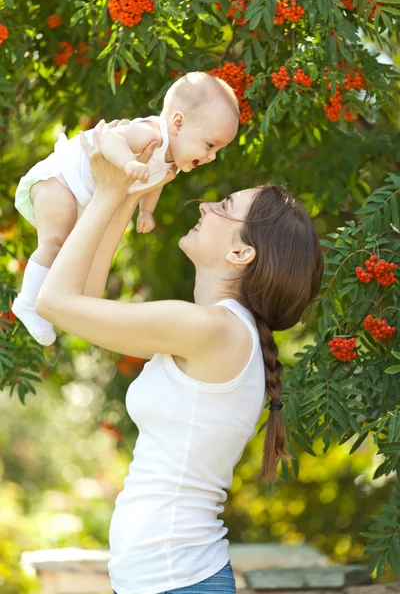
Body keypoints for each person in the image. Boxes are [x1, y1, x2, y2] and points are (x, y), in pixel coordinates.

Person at [34, 122, 324, 594]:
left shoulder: (210, 329)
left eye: (225, 207)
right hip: (166, 580)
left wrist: (108, 191)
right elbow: (84, 299)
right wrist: (129, 191)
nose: (207, 205)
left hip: (176, 582)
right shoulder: (215, 330)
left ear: (240, 252)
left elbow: (54, 302)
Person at [12, 72, 239, 346]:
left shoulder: (171, 163)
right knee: (55, 241)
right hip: (59, 179)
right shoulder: (150, 132)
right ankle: (27, 302)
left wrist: (145, 211)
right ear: (178, 122)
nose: (211, 156)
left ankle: (46, 303)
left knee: (71, 253)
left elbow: (154, 185)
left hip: (81, 193)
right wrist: (126, 162)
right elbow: (109, 138)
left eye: (218, 150)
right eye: (210, 145)